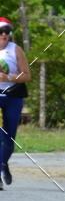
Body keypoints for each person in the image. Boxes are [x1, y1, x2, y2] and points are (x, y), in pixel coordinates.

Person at [0, 18, 31, 188]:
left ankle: (3, 164)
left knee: (9, 137)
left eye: (7, 31)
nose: (4, 35)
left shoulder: (15, 50)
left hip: (12, 96)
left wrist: (9, 77)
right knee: (0, 136)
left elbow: (27, 75)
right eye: (1, 31)